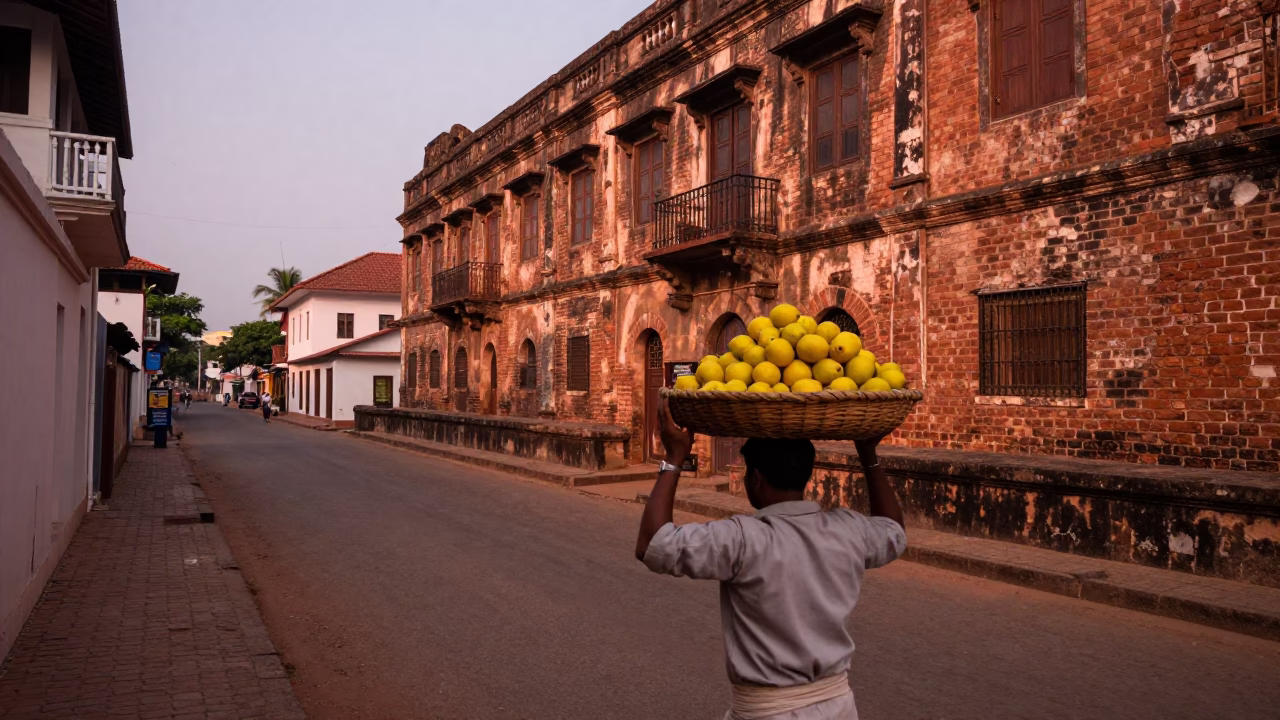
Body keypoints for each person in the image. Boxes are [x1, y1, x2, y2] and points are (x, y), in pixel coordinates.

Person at [636, 397, 906, 720]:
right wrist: (869, 457)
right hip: (840, 708)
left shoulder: (742, 538)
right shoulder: (847, 529)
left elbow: (652, 543)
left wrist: (673, 459)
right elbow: (893, 530)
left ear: (756, 479)